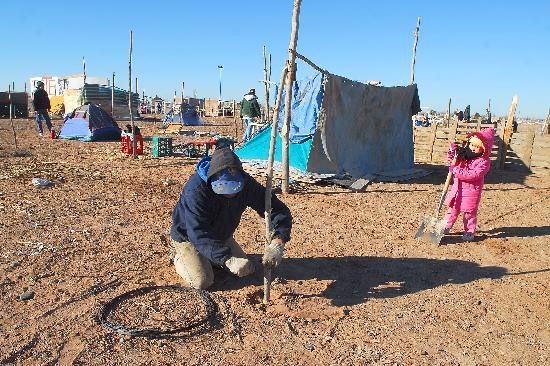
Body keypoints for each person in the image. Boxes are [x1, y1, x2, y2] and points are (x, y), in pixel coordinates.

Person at [169, 147, 292, 289]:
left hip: (221, 235)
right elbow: (197, 232)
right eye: (223, 189)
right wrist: (227, 259)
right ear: (213, 180)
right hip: (189, 237)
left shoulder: (248, 185)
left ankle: (211, 257)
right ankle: (178, 255)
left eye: (234, 188)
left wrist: (278, 242)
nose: (229, 195)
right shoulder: (196, 190)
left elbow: (277, 209)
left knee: (247, 269)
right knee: (202, 281)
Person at [444, 128, 495, 242]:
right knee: (452, 210)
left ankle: (469, 231)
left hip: (471, 192)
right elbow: (453, 162)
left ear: (483, 149)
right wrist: (453, 154)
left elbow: (473, 174)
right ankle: (446, 226)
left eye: (477, 146)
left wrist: (456, 170)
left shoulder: (483, 162)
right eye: (471, 144)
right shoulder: (464, 155)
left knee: (469, 214)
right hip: (457, 190)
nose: (472, 147)